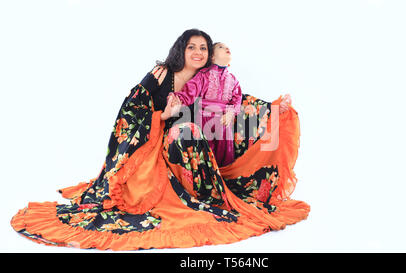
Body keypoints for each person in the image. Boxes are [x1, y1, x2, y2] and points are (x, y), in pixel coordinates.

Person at [10, 29, 310, 250]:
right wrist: (163, 118)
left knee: (192, 130)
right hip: (151, 141)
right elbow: (131, 108)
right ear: (181, 49)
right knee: (185, 130)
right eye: (191, 46)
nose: (197, 52)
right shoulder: (161, 73)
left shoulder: (205, 80)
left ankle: (203, 195)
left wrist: (272, 109)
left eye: (203, 48)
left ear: (209, 55)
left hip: (189, 144)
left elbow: (234, 100)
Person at [167, 42, 242, 167]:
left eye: (227, 46)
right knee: (206, 150)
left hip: (224, 119)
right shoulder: (204, 74)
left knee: (226, 153)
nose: (227, 47)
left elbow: (237, 98)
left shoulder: (233, 79)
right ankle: (206, 174)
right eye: (221, 47)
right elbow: (190, 91)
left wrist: (231, 112)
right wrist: (177, 99)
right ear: (212, 56)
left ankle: (223, 177)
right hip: (204, 117)